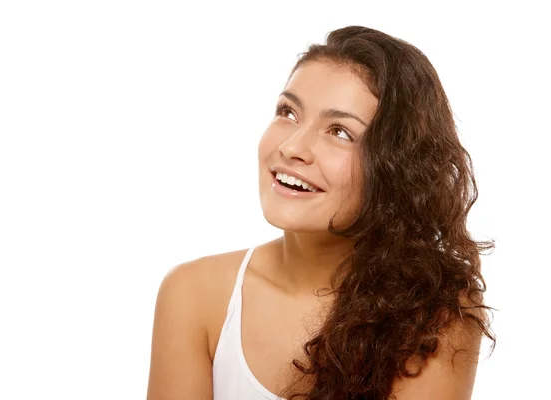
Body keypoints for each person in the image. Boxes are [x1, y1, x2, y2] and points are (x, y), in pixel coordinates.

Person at [146, 25, 496, 400]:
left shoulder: (438, 312)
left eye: (340, 132)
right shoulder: (193, 293)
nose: (293, 147)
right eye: (289, 112)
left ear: (398, 167)